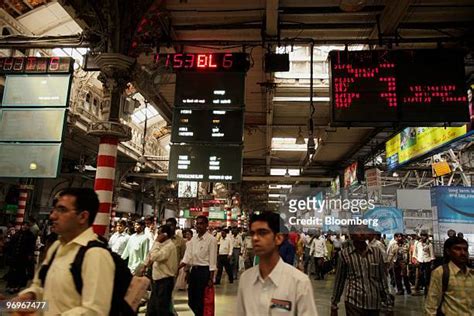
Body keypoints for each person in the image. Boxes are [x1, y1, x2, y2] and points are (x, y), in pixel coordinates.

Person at [13, 188, 114, 315]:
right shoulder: (56, 247)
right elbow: (41, 287)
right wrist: (30, 295)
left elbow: (95, 311)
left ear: (83, 217)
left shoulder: (95, 255)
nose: (53, 216)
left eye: (62, 210)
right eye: (54, 209)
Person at [237, 212, 318, 316]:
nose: (255, 238)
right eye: (253, 233)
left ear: (278, 238)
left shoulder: (299, 282)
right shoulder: (246, 280)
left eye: (262, 233)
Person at [331, 225, 393, 316]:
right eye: (358, 230)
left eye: (365, 230)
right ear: (351, 234)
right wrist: (334, 305)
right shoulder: (344, 254)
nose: (362, 233)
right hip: (353, 301)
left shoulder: (376, 253)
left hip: (374, 302)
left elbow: (382, 279)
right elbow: (339, 281)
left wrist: (388, 303)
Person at [179, 215, 217, 316]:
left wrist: (211, 278)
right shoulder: (193, 239)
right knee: (191, 301)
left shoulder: (211, 240)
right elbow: (187, 257)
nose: (199, 226)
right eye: (197, 223)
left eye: (201, 223)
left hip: (204, 272)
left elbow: (213, 261)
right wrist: (178, 268)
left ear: (206, 225)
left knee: (201, 301)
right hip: (194, 272)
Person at [425, 237, 473, 315]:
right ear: (448, 251)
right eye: (457, 249)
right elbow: (431, 305)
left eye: (465, 249)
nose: (463, 253)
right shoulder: (441, 272)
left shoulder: (471, 274)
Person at [142, 224, 178, 316]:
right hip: (157, 281)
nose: (157, 236)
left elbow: (154, 256)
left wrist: (156, 242)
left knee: (161, 309)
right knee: (152, 309)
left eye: (159, 233)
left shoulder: (169, 246)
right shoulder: (161, 245)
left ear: (165, 235)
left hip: (165, 281)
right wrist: (145, 265)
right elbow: (150, 254)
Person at [6, 221, 35, 293]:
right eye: (23, 225)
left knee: (20, 271)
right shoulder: (17, 233)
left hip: (23, 257)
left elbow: (32, 247)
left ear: (29, 227)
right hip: (14, 256)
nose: (24, 226)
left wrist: (30, 255)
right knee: (12, 271)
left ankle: (17, 286)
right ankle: (10, 285)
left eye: (26, 225)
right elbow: (11, 244)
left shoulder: (31, 235)